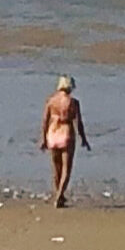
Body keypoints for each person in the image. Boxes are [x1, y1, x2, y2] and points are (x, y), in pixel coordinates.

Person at [41, 76, 92, 207]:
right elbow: (78, 122)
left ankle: (60, 195)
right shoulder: (73, 102)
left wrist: (43, 139)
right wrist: (84, 139)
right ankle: (59, 196)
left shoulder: (51, 101)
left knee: (56, 168)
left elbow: (45, 121)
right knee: (66, 169)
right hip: (66, 133)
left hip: (52, 133)